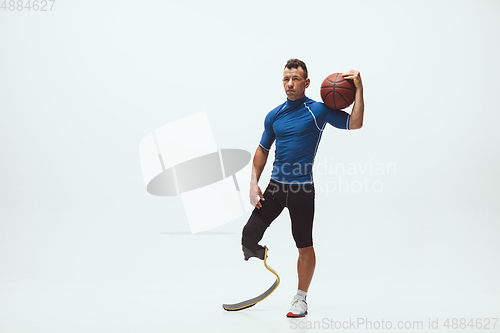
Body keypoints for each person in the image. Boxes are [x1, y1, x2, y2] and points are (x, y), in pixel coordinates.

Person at [240, 58, 364, 317]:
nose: (290, 84)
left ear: (306, 83)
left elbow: (355, 122)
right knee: (248, 236)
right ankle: (261, 254)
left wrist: (359, 90)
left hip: (301, 191)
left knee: (304, 245)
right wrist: (253, 184)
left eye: (295, 79)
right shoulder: (274, 115)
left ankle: (301, 299)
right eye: (286, 79)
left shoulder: (319, 111)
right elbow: (262, 150)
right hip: (275, 188)